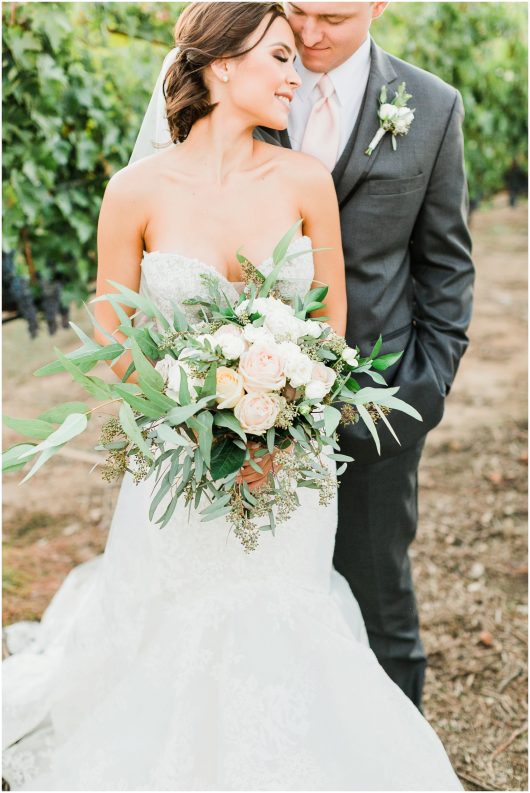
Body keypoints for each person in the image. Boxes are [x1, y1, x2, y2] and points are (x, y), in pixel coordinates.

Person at [3, 4, 464, 790]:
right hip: (177, 474)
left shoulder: (305, 181)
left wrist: (271, 429)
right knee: (170, 637)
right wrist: (195, 421)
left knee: (291, 629)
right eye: (281, 56)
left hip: (288, 469)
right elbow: (117, 347)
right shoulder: (132, 191)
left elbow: (327, 334)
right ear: (223, 66)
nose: (298, 71)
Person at [256, 1, 475, 710]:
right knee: (261, 597)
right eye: (296, 10)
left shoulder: (433, 108)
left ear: (379, 5)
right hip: (246, 402)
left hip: (379, 405)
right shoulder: (244, 83)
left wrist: (422, 390)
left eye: (334, 17)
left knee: (379, 597)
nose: (310, 33)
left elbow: (446, 266)